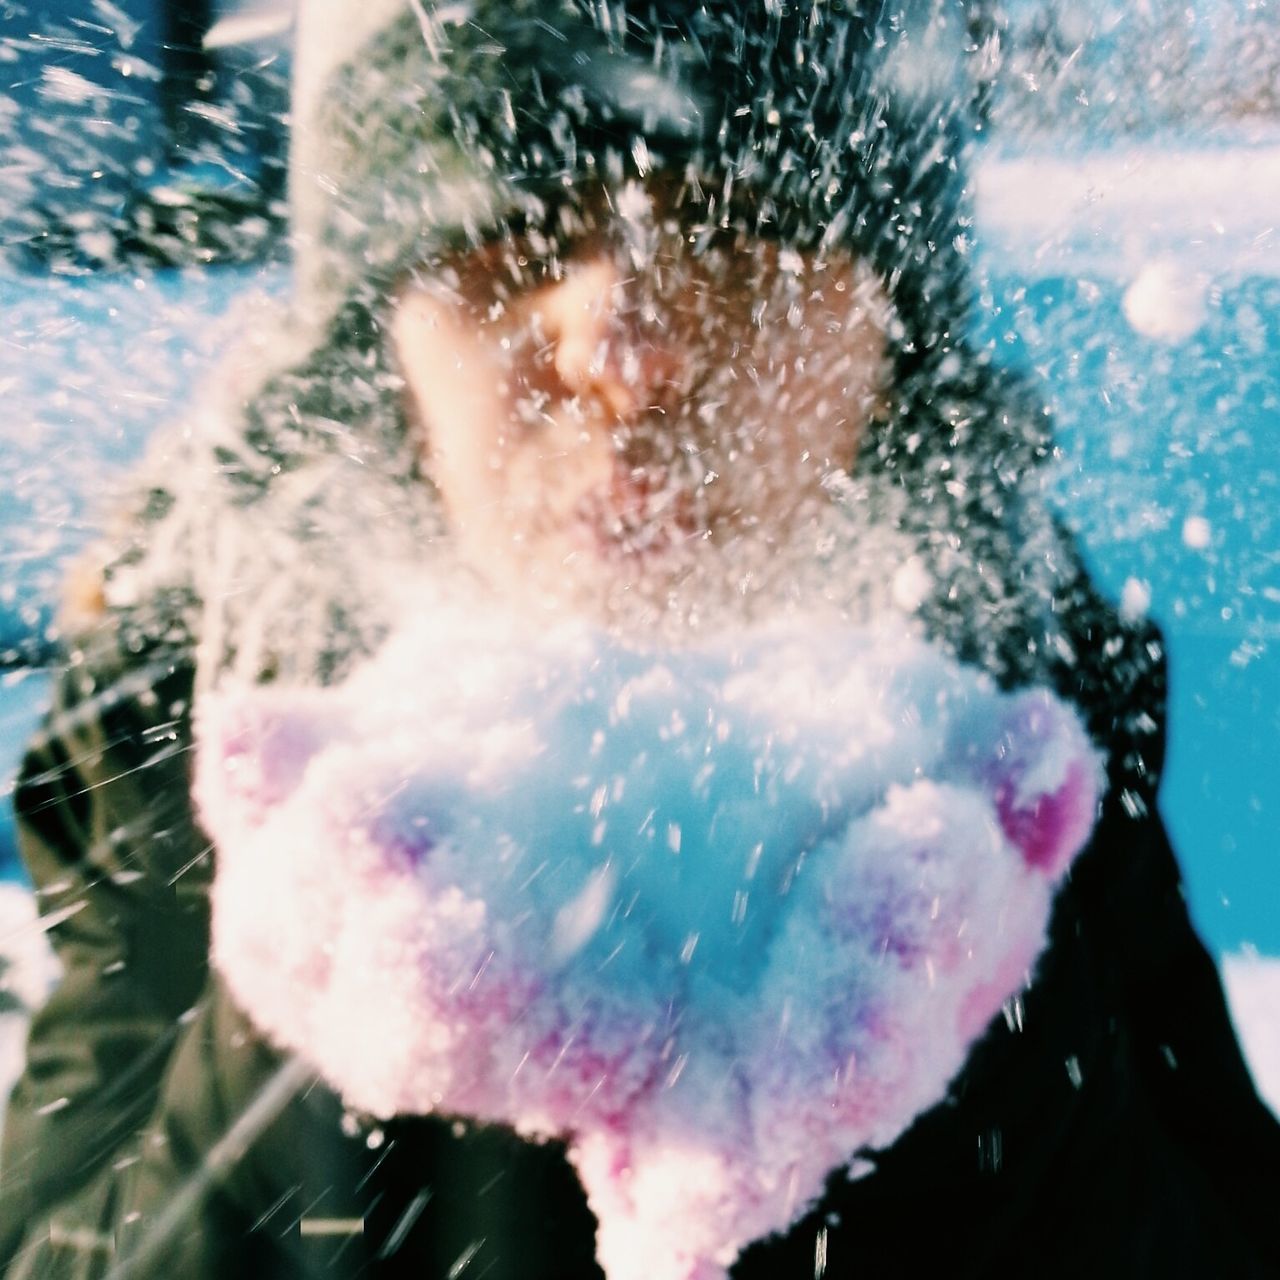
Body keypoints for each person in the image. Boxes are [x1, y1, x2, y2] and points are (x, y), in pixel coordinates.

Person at [3, 2, 1279, 1277]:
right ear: (383, 341)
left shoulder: (1024, 722)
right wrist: (303, 1064)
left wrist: (983, 1055)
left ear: (887, 343)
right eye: (508, 243)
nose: (623, 351)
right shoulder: (211, 724)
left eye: (736, 237)